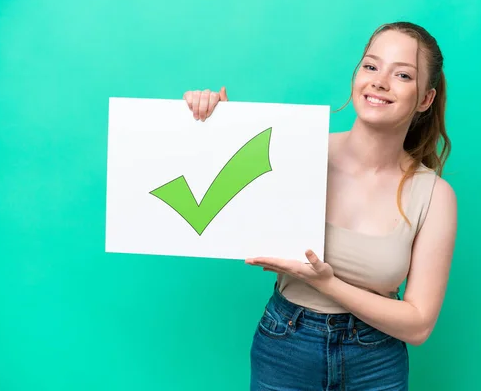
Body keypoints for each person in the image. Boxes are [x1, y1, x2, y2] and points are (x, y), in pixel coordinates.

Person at [184, 21, 457, 391]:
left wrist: (327, 284)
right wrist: (217, 124)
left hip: (375, 361)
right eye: (371, 66)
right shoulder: (294, 149)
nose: (379, 82)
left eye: (403, 75)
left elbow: (419, 323)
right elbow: (226, 201)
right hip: (285, 345)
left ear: (425, 98)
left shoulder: (435, 195)